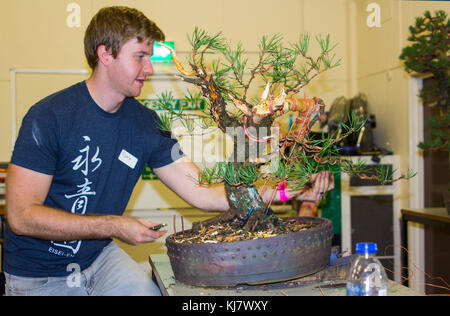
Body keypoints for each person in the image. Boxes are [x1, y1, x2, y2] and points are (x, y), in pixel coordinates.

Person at [4, 6, 333, 296]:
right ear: (105, 54)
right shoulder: (49, 117)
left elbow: (203, 194)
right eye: (140, 57)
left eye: (150, 57)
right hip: (39, 274)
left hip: (99, 259)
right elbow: (21, 216)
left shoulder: (145, 123)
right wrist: (114, 226)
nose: (149, 69)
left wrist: (292, 190)